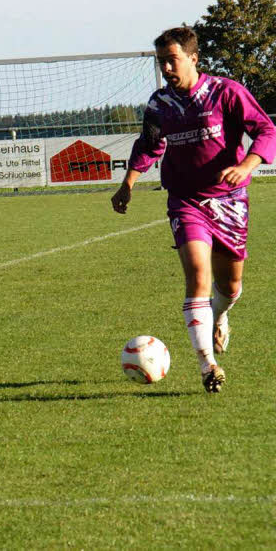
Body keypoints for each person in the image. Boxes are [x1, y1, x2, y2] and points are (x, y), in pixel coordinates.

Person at [110, 27, 276, 393]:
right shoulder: (159, 105)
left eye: (173, 59)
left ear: (193, 59)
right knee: (197, 275)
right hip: (185, 201)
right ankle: (207, 366)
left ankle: (220, 314)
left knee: (230, 286)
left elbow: (266, 129)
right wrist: (129, 183)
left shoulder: (225, 92)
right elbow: (150, 145)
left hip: (231, 201)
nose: (167, 67)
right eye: (162, 61)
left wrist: (247, 165)